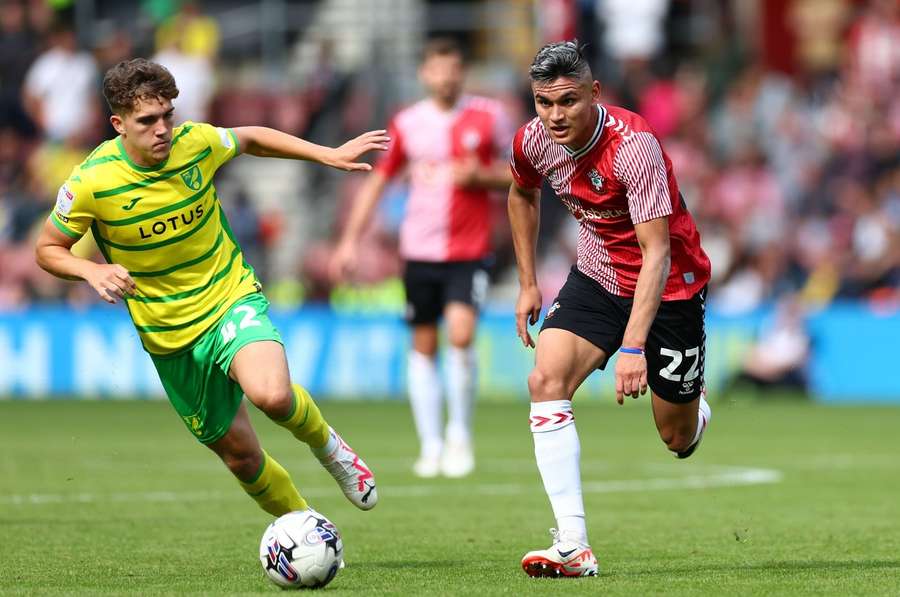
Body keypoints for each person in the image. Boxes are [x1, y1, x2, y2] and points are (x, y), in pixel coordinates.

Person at [34, 58, 387, 519]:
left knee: (273, 395)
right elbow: (47, 248)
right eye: (147, 121)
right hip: (169, 334)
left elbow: (252, 137)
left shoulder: (195, 143)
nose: (162, 129)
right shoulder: (91, 182)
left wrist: (325, 153)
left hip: (228, 296)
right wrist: (92, 272)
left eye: (167, 116)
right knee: (242, 458)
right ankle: (308, 528)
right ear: (118, 124)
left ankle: (329, 447)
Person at [507, 41, 712, 578]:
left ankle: (695, 409)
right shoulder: (533, 140)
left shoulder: (634, 146)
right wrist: (529, 282)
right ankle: (573, 545)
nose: (554, 116)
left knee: (677, 438)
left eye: (568, 102)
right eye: (543, 102)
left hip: (669, 285)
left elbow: (658, 254)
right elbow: (521, 195)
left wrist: (631, 347)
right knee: (544, 381)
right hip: (598, 273)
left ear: (595, 93)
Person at [330, 38, 513, 478]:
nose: (445, 77)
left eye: (453, 68)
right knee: (424, 346)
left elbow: (520, 172)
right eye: (437, 69)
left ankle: (460, 437)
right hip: (419, 251)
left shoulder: (491, 116)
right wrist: (350, 240)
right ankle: (431, 445)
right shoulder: (408, 123)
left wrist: (482, 175)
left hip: (470, 250)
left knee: (463, 336)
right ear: (424, 74)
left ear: (462, 72)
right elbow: (379, 182)